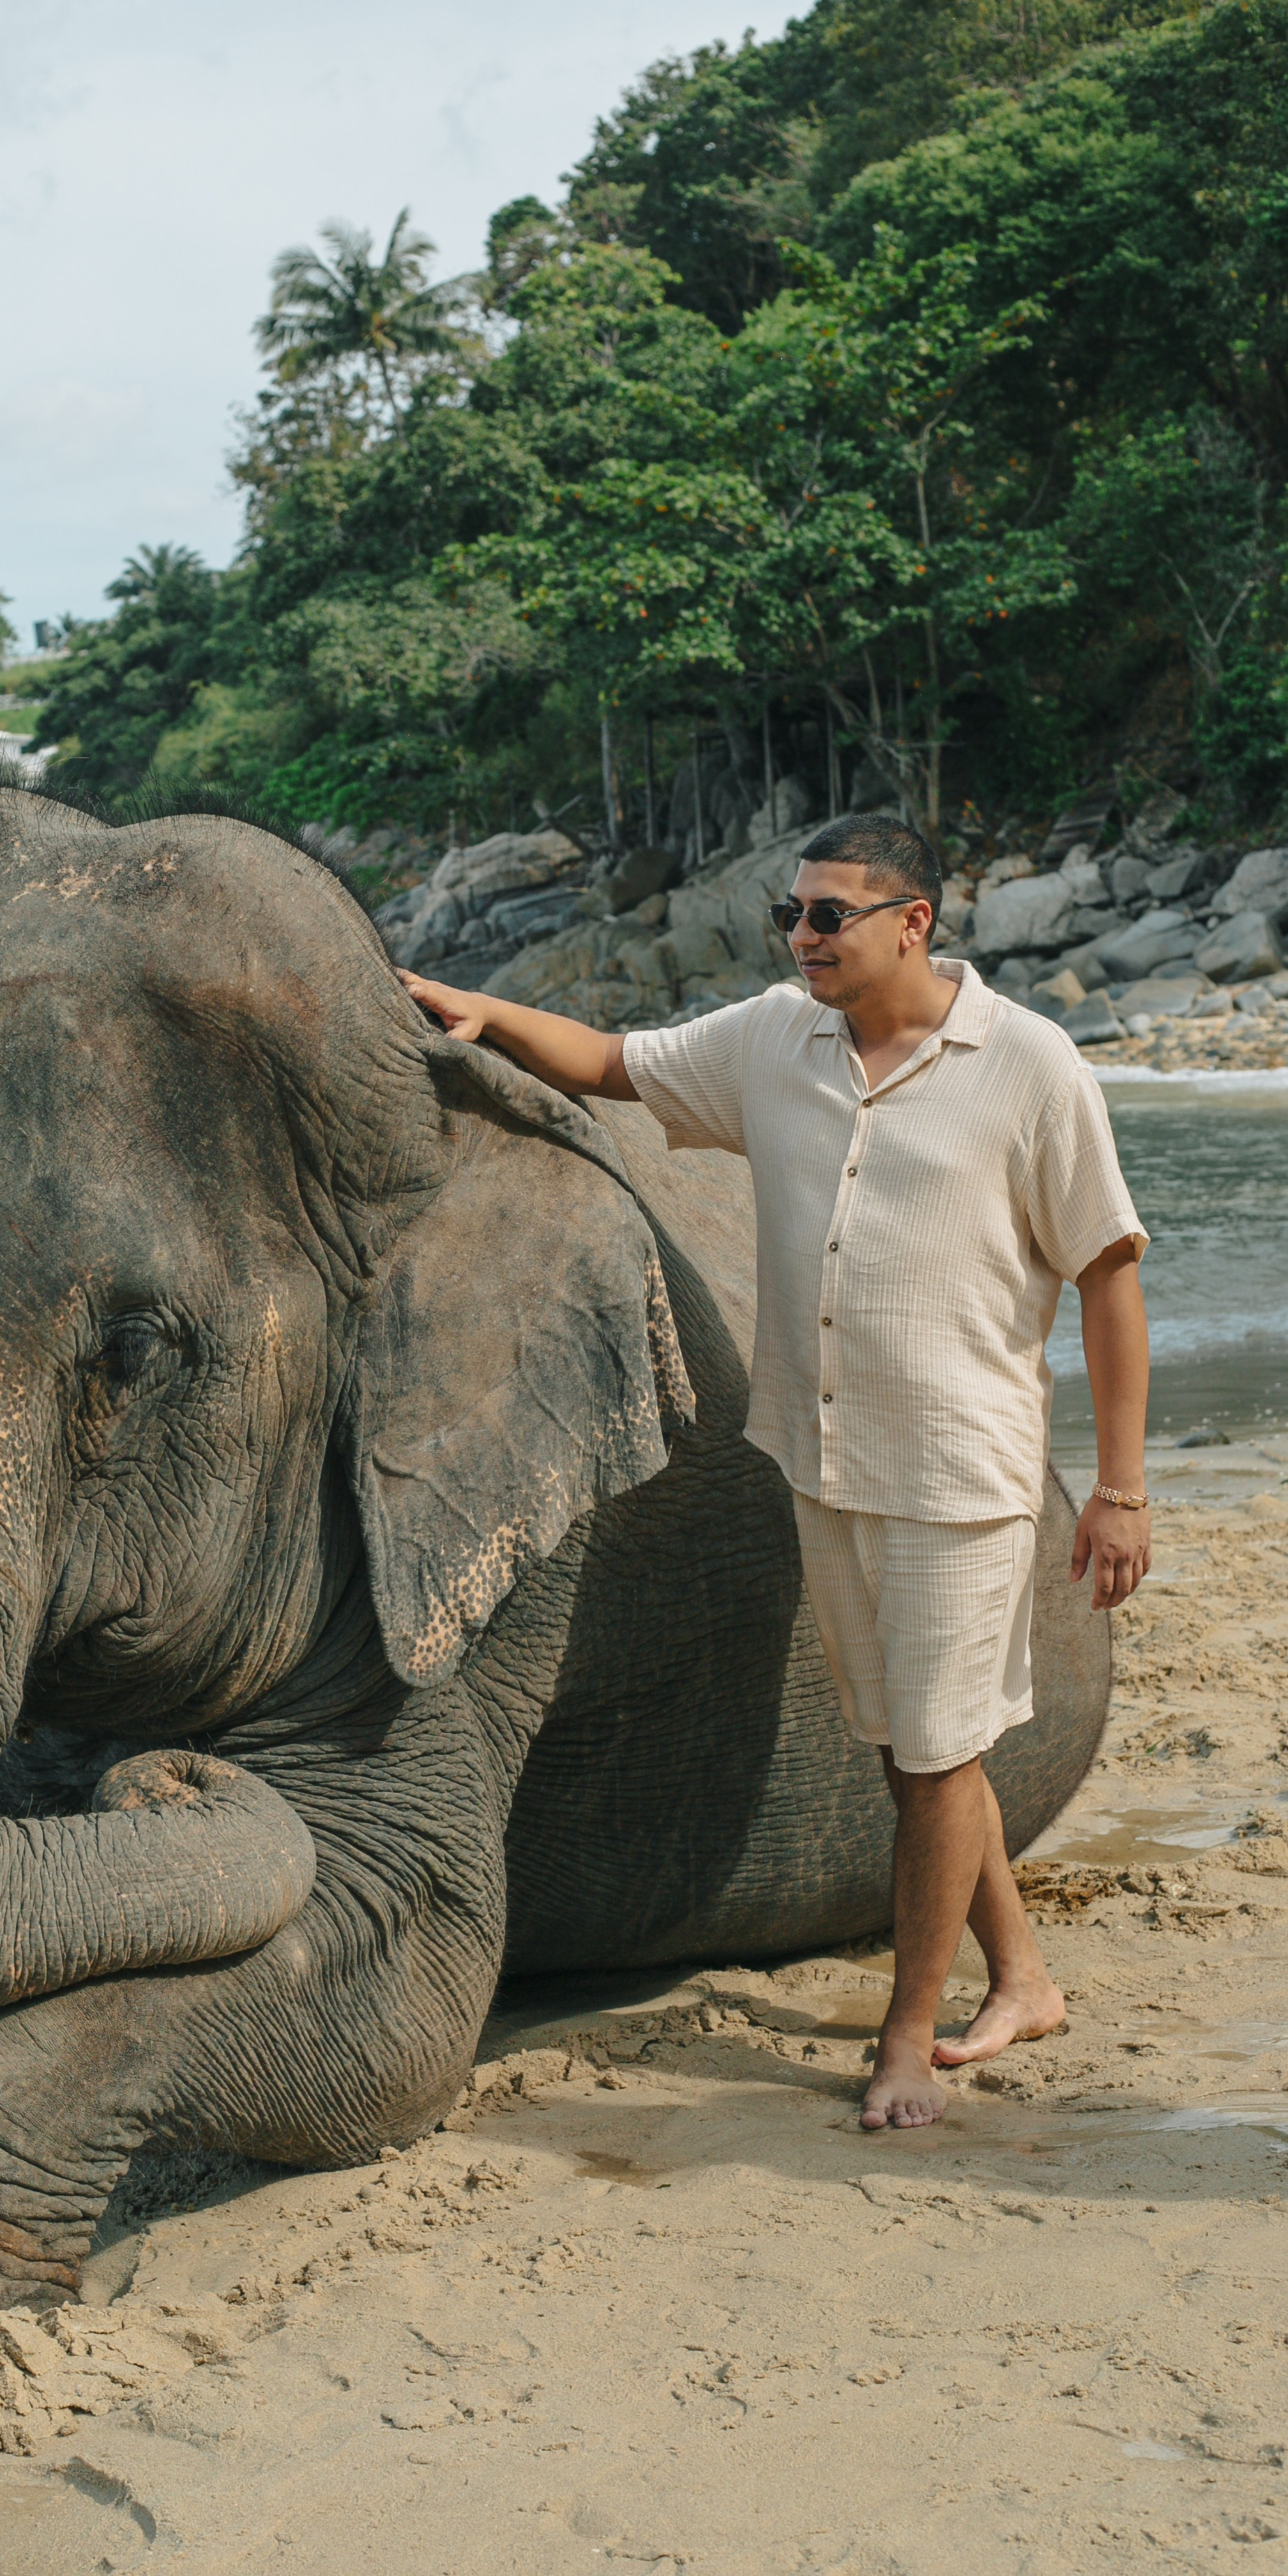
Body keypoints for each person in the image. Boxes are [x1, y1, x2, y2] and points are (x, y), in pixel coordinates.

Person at [402, 812, 1151, 2132]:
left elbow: (1109, 1274)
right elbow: (612, 1065)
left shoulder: (1031, 1068)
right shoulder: (772, 1039)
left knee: (930, 1760)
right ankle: (1021, 1976)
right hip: (818, 1459)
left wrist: (1123, 1487)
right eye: (788, 915)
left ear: (912, 922)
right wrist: (480, 1010)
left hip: (962, 1475)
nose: (798, 937)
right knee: (914, 1748)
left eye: (825, 917)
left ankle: (907, 2041)